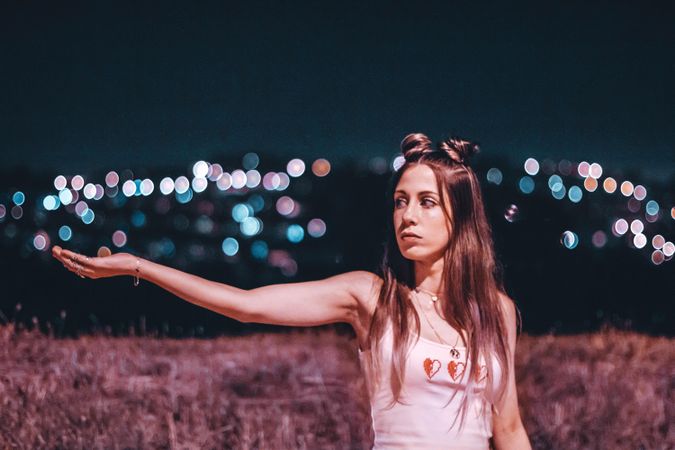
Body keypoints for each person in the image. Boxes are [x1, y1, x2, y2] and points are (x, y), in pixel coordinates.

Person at [52, 132, 532, 449]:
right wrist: (138, 265)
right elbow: (245, 306)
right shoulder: (372, 298)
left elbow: (507, 429)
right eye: (400, 201)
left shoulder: (497, 311)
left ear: (461, 216)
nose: (407, 216)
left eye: (427, 202)